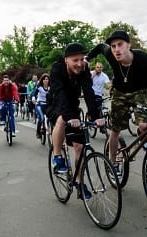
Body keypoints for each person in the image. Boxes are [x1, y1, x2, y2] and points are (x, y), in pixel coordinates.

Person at [87, 30, 147, 169]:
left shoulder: (142, 58)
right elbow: (99, 47)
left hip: (138, 93)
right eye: (113, 46)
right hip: (119, 93)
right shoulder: (110, 54)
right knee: (115, 130)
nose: (116, 49)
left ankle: (141, 131)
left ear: (128, 45)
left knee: (144, 125)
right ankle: (112, 162)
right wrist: (87, 58)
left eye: (120, 45)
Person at [48, 43, 98, 174]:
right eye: (75, 60)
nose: (80, 64)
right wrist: (69, 117)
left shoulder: (84, 69)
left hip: (73, 104)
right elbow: (60, 95)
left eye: (82, 59)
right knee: (62, 119)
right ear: (66, 60)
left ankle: (79, 182)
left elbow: (88, 92)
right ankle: (57, 157)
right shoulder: (57, 69)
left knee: (80, 147)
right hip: (55, 103)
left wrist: (96, 115)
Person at [89, 60, 111, 130]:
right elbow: (86, 82)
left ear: (102, 68)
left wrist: (111, 87)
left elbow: (108, 85)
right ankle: (91, 119)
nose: (99, 68)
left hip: (99, 95)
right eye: (97, 67)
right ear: (95, 67)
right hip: (90, 94)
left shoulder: (104, 75)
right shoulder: (91, 73)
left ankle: (101, 125)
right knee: (93, 109)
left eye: (100, 67)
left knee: (100, 109)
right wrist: (92, 76)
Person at [31, 73, 51, 138]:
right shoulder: (39, 87)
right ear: (42, 80)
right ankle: (38, 131)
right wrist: (33, 99)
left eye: (47, 79)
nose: (46, 81)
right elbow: (34, 94)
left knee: (51, 117)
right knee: (41, 118)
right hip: (39, 104)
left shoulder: (51, 87)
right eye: (44, 79)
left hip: (48, 104)